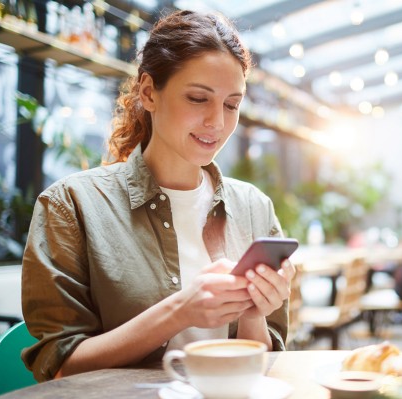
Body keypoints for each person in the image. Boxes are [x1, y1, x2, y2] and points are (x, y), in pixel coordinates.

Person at [20, 10, 295, 382]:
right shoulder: (71, 205)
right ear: (149, 92)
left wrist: (254, 310)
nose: (218, 122)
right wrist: (181, 309)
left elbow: (263, 361)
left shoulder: (253, 208)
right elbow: (60, 368)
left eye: (232, 104)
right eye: (199, 98)